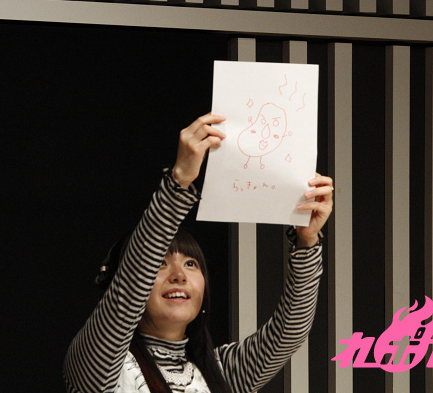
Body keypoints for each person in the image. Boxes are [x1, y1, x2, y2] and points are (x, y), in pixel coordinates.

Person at [63, 113, 334, 393]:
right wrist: (178, 182)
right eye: (160, 264)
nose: (179, 275)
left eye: (191, 263)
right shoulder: (98, 366)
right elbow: (130, 287)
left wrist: (306, 242)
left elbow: (289, 332)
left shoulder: (220, 371)